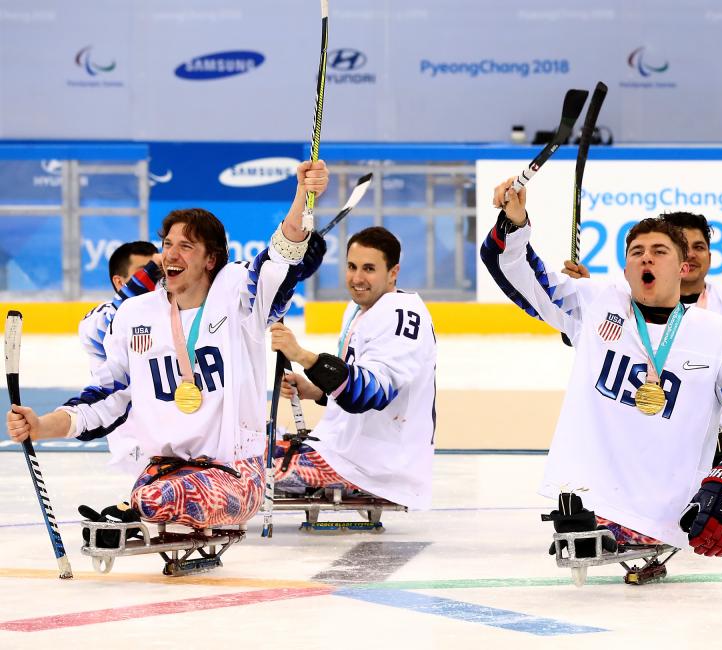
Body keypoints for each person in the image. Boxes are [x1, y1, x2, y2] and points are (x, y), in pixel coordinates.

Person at [6, 161, 329, 531]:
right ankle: (144, 504)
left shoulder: (239, 295)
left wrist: (304, 195)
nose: (170, 255)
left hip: (237, 474)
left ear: (211, 259)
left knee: (153, 499)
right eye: (167, 245)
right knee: (154, 493)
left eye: (186, 246)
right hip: (165, 472)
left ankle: (143, 506)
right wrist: (41, 426)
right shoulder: (135, 314)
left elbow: (281, 260)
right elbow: (107, 399)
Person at [481, 179, 722, 557]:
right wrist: (514, 222)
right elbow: (517, 273)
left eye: (660, 251)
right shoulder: (597, 305)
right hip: (586, 507)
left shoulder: (720, 337)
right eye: (636, 251)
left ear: (683, 267)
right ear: (625, 269)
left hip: (667, 518)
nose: (646, 258)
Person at [562, 210, 722, 450]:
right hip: (635, 448)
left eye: (699, 247)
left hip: (720, 457)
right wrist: (579, 301)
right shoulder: (623, 305)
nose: (691, 254)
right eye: (683, 247)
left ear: (711, 257)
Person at [270, 226, 436, 510]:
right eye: (351, 266)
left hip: (372, 466)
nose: (357, 278)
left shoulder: (401, 315)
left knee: (242, 462)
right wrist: (317, 390)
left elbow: (371, 394)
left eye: (369, 269)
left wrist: (303, 356)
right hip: (345, 451)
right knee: (245, 441)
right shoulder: (361, 308)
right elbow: (351, 386)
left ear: (393, 273)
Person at [79, 241, 161, 375]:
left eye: (157, 272)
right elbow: (110, 323)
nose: (154, 279)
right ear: (119, 282)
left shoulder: (169, 310)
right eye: (145, 272)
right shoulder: (97, 319)